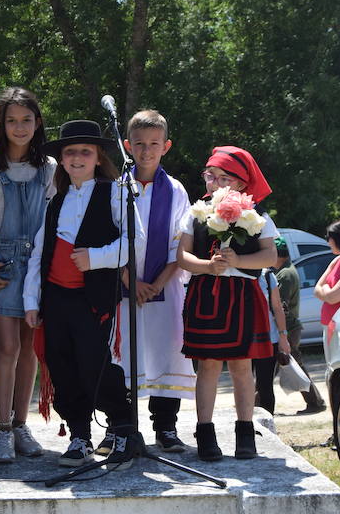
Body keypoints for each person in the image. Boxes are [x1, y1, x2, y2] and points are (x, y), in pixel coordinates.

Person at [24, 120, 137, 470]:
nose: (76, 158)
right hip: (56, 299)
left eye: (85, 152)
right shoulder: (56, 201)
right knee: (62, 366)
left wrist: (96, 257)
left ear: (98, 157)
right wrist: (32, 300)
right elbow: (39, 254)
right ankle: (79, 434)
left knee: (95, 364)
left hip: (92, 299)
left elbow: (135, 243)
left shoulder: (115, 192)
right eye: (70, 152)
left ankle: (122, 428)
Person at [102, 110, 196, 456]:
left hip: (164, 288)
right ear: (127, 145)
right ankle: (119, 426)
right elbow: (110, 234)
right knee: (121, 354)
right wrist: (130, 278)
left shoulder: (176, 190)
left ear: (166, 146)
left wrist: (156, 283)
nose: (146, 151)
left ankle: (166, 426)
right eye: (139, 144)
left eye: (154, 144)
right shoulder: (116, 186)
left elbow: (179, 240)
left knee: (166, 351)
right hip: (123, 287)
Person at [177, 146, 277, 461]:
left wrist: (239, 259)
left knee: (241, 366)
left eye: (225, 178)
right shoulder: (196, 213)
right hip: (207, 295)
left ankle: (245, 433)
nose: (217, 184)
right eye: (212, 176)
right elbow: (183, 256)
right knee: (207, 366)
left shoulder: (257, 215)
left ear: (241, 183)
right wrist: (208, 266)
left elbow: (270, 256)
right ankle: (205, 434)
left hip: (244, 297)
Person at [0, 87, 56, 461]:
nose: (19, 127)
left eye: (26, 120)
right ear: (0, 125)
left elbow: (54, 222)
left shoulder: (50, 169)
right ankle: (3, 428)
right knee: (6, 347)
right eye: (11, 121)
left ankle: (22, 425)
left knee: (29, 350)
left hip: (38, 266)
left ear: (37, 123)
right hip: (3, 267)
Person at [272, 236, 326, 414]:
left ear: (278, 254)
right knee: (289, 366)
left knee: (288, 367)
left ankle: (315, 403)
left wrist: (281, 332)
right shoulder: (284, 271)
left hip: (287, 329)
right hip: (289, 328)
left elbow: (281, 305)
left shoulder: (285, 274)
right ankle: (315, 402)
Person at [252, 268, 291, 415]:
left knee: (265, 385)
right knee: (244, 385)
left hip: (268, 338)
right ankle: (246, 423)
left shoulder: (267, 275)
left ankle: (268, 422)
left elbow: (277, 307)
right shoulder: (233, 271)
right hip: (241, 339)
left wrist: (283, 337)